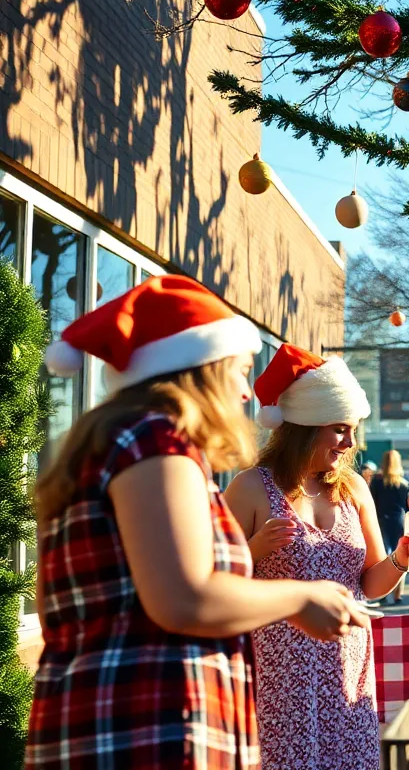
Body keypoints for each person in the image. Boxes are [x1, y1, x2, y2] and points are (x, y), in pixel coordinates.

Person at [26, 276, 367, 769]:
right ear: (201, 369)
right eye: (240, 371)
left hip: (111, 726)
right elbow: (185, 597)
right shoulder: (155, 442)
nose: (246, 395)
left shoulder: (117, 444)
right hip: (149, 731)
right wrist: (302, 596)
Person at [224, 344, 409, 768]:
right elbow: (213, 581)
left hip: (349, 664)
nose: (351, 441)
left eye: (353, 428)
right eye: (341, 428)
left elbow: (370, 584)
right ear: (306, 425)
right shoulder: (250, 487)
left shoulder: (354, 488)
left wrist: (401, 559)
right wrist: (254, 549)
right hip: (278, 673)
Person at [372, 449, 409, 604]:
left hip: (381, 521)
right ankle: (398, 594)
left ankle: (382, 594)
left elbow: (372, 503)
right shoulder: (404, 483)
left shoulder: (376, 481)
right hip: (399, 521)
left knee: (383, 558)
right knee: (400, 557)